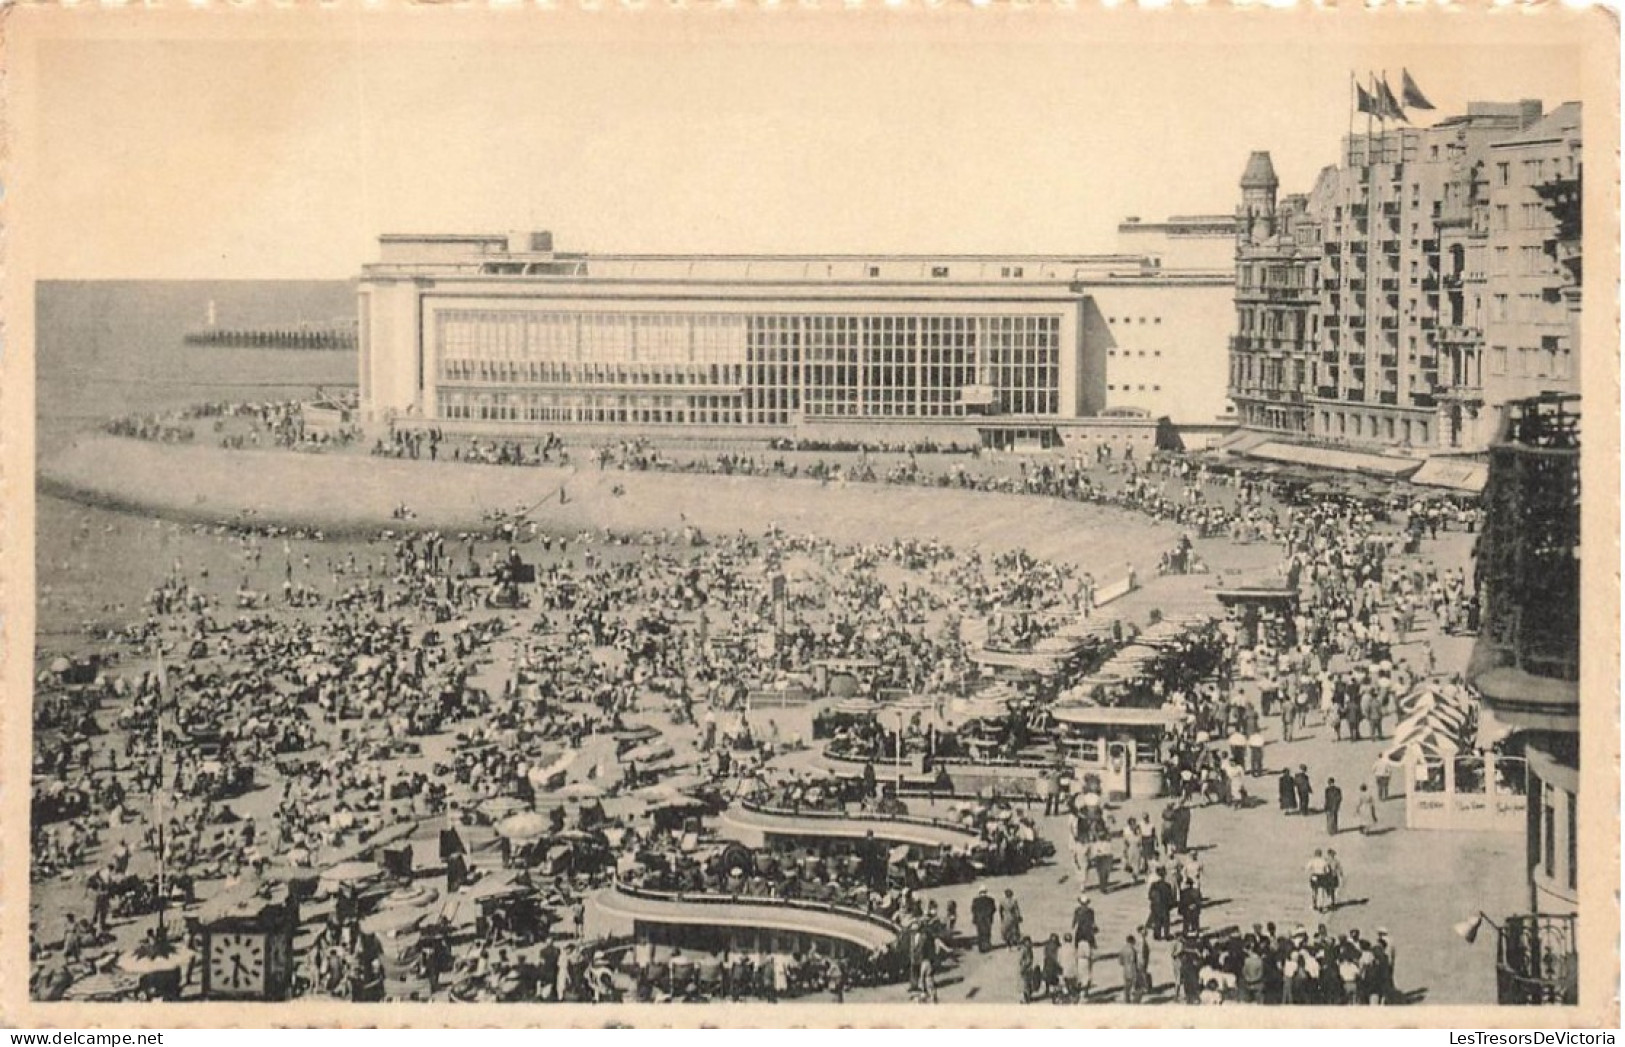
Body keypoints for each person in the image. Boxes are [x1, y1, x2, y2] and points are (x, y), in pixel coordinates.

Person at [970, 887, 996, 953]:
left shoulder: (975, 900)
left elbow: (973, 910)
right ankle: (987, 946)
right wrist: (989, 914)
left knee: (980, 933)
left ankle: (981, 948)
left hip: (979, 919)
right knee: (987, 932)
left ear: (979, 892)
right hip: (988, 918)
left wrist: (975, 917)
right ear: (986, 892)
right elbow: (993, 909)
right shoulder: (991, 900)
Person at [1119, 934, 1143, 1003]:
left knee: (1127, 987)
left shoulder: (1122, 950)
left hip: (1125, 970)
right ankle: (1135, 1001)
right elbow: (1133, 962)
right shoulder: (1133, 951)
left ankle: (1127, 1001)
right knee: (1137, 987)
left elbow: (1120, 962)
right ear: (1132, 941)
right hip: (1132, 971)